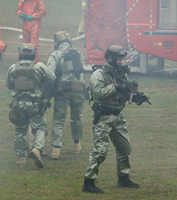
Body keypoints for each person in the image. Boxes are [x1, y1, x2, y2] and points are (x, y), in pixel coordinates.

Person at [82, 45, 140, 194]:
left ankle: (124, 178)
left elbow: (124, 95)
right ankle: (88, 182)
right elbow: (98, 93)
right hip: (104, 116)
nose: (122, 62)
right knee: (100, 150)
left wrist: (134, 95)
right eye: (119, 59)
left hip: (118, 115)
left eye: (123, 59)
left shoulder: (121, 75)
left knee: (124, 148)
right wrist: (115, 87)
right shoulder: (99, 74)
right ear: (112, 59)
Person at [6, 43, 56, 168]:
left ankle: (20, 158)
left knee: (20, 130)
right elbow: (52, 78)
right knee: (40, 128)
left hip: (18, 104)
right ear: (34, 53)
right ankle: (37, 149)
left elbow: (9, 85)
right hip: (34, 104)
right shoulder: (39, 66)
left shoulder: (13, 68)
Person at [46, 31, 86, 160]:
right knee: (77, 117)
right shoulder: (78, 53)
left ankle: (56, 149)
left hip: (63, 90)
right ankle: (76, 144)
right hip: (79, 89)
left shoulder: (56, 54)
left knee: (59, 119)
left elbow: (49, 73)